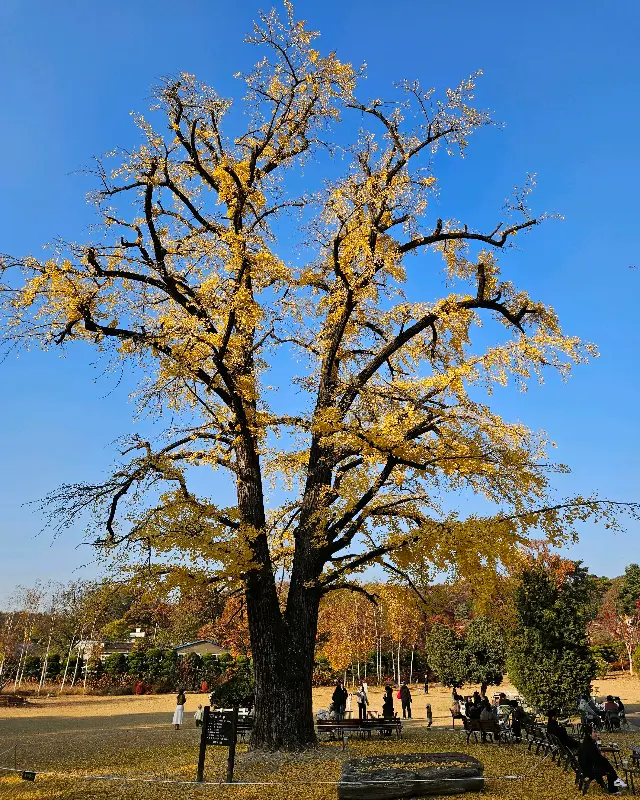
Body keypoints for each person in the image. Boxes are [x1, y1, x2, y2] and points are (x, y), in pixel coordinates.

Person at [578, 725, 627, 794]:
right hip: (589, 770)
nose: (596, 734)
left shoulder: (586, 743)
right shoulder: (590, 745)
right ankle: (614, 787)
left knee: (606, 764)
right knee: (607, 767)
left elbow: (594, 757)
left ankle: (616, 781)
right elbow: (596, 759)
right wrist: (601, 756)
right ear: (589, 734)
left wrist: (600, 756)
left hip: (587, 767)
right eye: (594, 732)